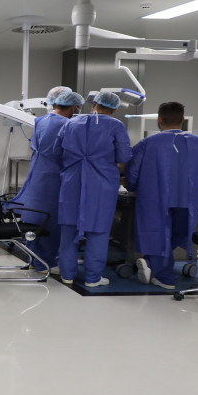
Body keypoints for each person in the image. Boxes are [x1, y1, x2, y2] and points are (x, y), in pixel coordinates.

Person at [126, 102, 198, 289]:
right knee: (179, 232)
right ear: (182, 119)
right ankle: (156, 266)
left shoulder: (147, 143)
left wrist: (132, 187)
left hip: (154, 197)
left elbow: (132, 172)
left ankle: (161, 272)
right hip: (188, 200)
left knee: (157, 234)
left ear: (159, 120)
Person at [55, 90, 132, 286]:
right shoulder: (116, 126)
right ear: (114, 110)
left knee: (69, 230)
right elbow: (124, 156)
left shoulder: (71, 123)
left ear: (94, 104)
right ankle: (93, 278)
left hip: (71, 183)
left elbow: (57, 151)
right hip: (101, 185)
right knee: (98, 231)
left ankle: (67, 274)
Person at [8, 87, 84, 272]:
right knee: (51, 220)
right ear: (73, 107)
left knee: (35, 218)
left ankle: (35, 256)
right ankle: (47, 261)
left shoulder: (40, 120)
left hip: (37, 175)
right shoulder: (67, 124)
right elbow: (70, 153)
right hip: (53, 177)